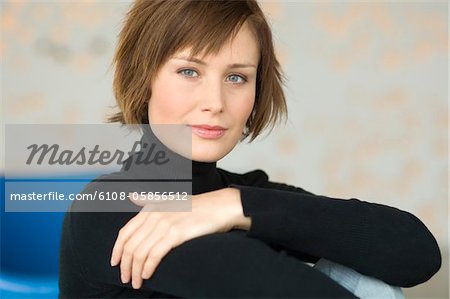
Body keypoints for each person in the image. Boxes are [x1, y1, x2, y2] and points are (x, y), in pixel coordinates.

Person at [58, 0, 442, 298]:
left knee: (368, 278)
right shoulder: (109, 209)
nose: (215, 101)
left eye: (237, 77)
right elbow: (269, 284)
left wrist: (232, 205)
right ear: (144, 81)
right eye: (189, 71)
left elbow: (417, 253)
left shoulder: (239, 198)